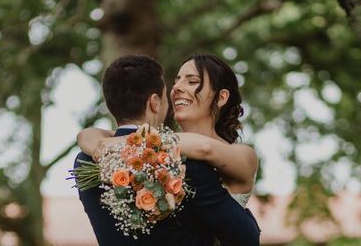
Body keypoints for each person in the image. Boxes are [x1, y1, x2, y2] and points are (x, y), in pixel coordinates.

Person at [73, 54, 260, 246]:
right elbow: (89, 135)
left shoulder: (243, 154)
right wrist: (99, 146)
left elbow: (205, 148)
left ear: (221, 97)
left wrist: (122, 141)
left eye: (192, 81)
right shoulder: (157, 147)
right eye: (176, 80)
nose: (177, 87)